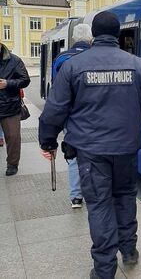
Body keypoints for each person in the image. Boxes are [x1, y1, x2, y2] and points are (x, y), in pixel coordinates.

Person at [39, 11, 141, 279]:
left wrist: (47, 141)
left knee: (99, 205)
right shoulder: (138, 66)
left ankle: (105, 269)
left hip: (91, 151)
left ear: (94, 34)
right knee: (124, 197)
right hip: (126, 150)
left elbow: (54, 109)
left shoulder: (74, 66)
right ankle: (129, 251)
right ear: (118, 33)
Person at [52, 24, 93, 209]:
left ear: (74, 39)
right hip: (93, 116)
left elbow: (56, 93)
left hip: (71, 118)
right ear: (90, 39)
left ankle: (76, 196)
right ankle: (93, 192)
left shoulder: (61, 58)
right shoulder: (95, 57)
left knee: (73, 155)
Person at [0, 42, 30, 176]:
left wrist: (8, 83)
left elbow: (25, 80)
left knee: (13, 137)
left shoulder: (14, 60)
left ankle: (12, 164)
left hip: (9, 106)